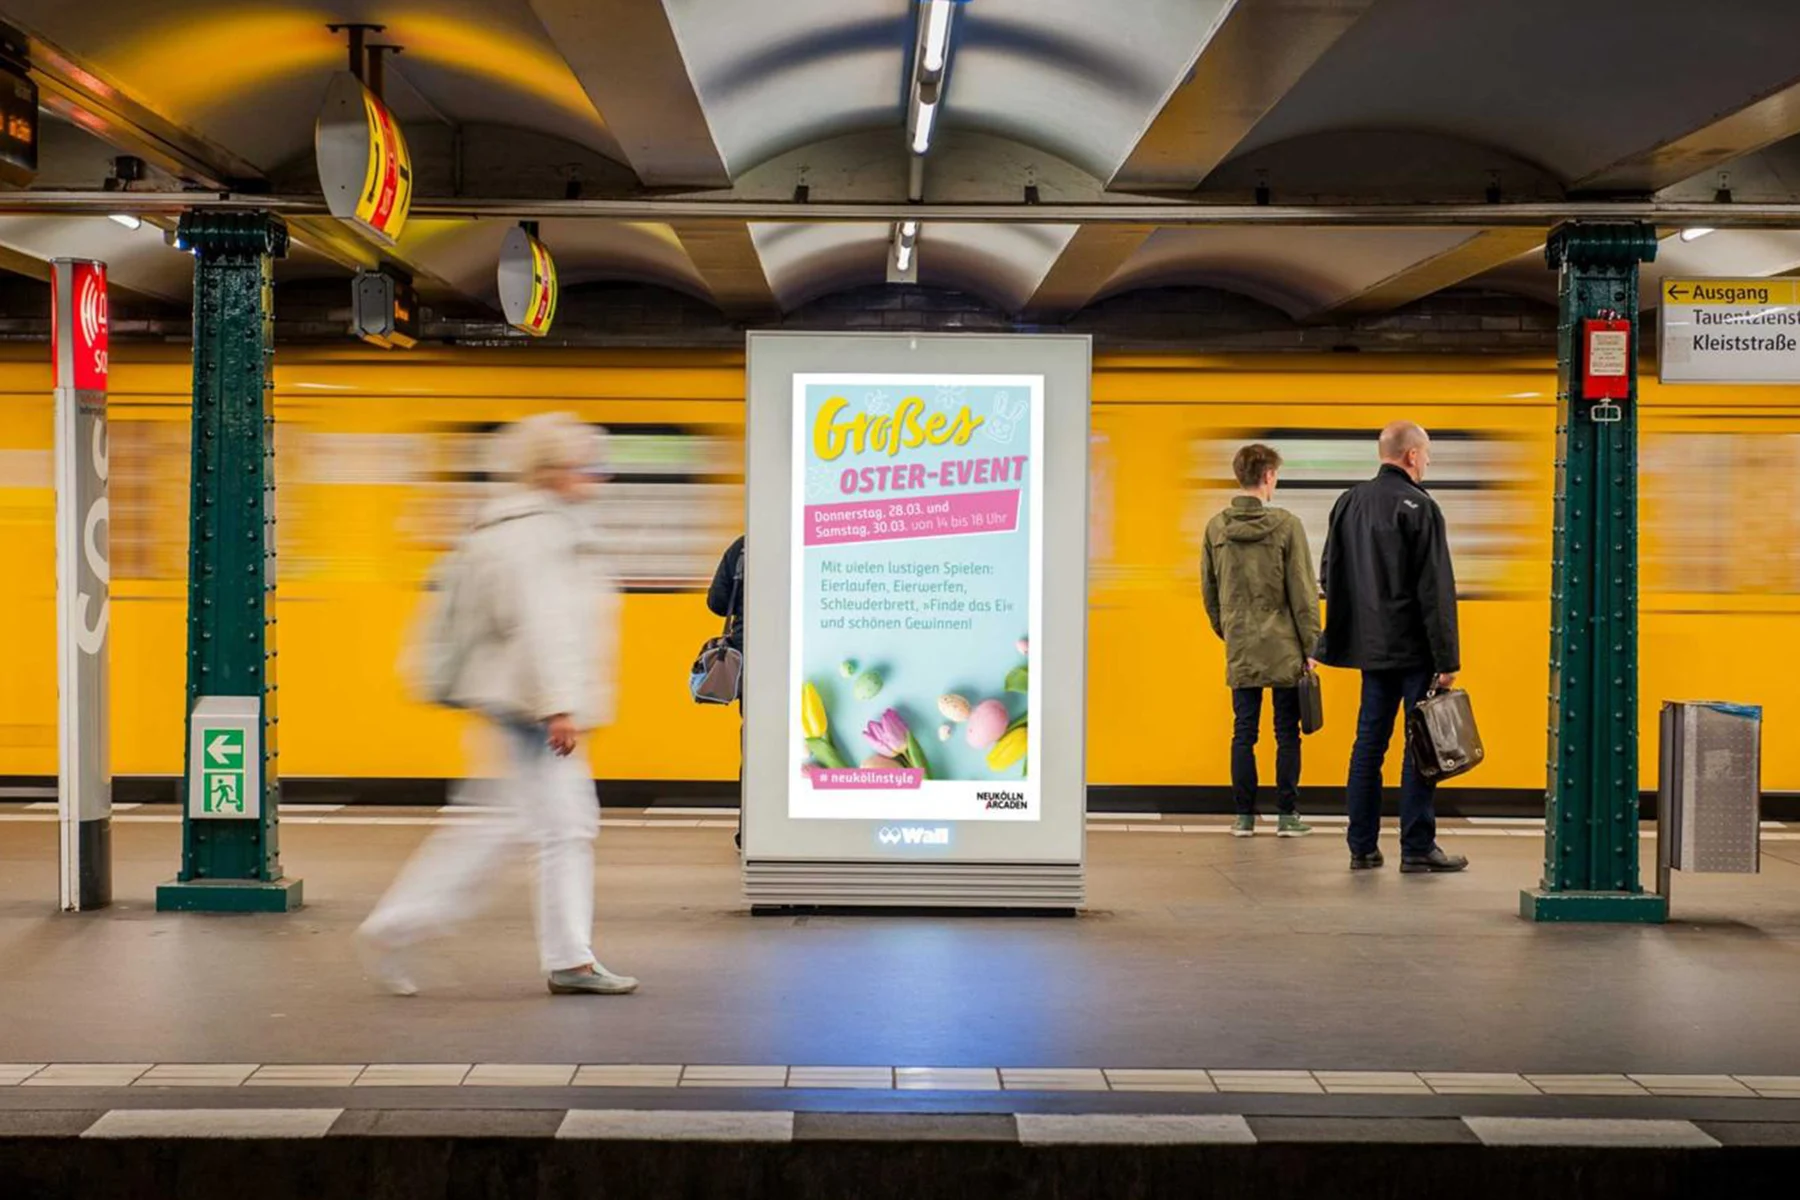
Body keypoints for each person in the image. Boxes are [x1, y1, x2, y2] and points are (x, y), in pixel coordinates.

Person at [358, 412, 638, 996]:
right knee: (547, 827)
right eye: (589, 467)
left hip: (518, 700)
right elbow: (542, 624)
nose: (599, 477)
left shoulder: (525, 526)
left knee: (530, 823)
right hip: (532, 706)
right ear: (555, 472)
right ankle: (405, 925)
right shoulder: (538, 535)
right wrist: (559, 704)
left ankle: (562, 956)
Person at [1317, 421, 1467, 874]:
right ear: (1411, 455)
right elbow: (1435, 591)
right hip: (1415, 650)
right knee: (1421, 746)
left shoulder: (1348, 502)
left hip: (1370, 649)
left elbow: (1328, 574)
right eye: (1426, 454)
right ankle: (1417, 846)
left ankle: (1362, 846)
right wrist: (1447, 660)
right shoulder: (1421, 507)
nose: (1427, 462)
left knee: (1368, 743)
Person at [1201, 443, 1321, 838]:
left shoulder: (1217, 527)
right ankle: (1287, 816)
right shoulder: (1287, 525)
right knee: (1286, 732)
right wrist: (1311, 646)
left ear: (1240, 475)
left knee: (1244, 731)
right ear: (1268, 476)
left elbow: (1209, 591)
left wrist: (1230, 629)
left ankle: (1244, 818)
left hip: (1241, 643)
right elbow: (1303, 591)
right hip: (1285, 643)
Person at [706, 535, 745, 849]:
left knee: (756, 745)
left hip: (753, 658)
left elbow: (717, 603)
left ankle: (752, 830)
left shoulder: (742, 547)